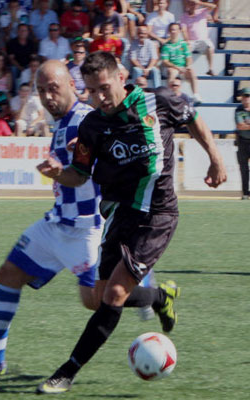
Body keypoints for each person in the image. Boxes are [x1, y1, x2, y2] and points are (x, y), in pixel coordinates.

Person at [35, 51, 226, 394]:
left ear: (121, 77)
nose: (99, 98)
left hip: (157, 215)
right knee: (98, 296)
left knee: (116, 293)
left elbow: (193, 117)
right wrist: (57, 174)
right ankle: (159, 296)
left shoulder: (160, 102)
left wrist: (214, 157)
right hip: (119, 214)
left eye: (104, 88)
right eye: (91, 91)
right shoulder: (92, 125)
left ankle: (67, 371)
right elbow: (78, 177)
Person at [0, 60, 102, 378]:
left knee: (94, 301)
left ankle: (149, 288)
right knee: (8, 273)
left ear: (72, 86)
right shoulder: (62, 123)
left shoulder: (87, 121)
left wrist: (62, 170)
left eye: (54, 88)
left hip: (86, 228)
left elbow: (90, 171)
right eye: (42, 90)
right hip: (56, 223)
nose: (48, 96)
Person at [161, 22, 201, 103]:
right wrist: (177, 67)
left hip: (183, 68)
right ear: (169, 31)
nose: (173, 32)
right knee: (172, 72)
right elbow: (165, 61)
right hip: (173, 67)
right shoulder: (166, 46)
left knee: (191, 71)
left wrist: (187, 66)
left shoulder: (183, 44)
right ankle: (170, 96)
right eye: (172, 30)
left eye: (175, 30)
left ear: (179, 31)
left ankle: (196, 94)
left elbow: (189, 58)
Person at [180, 0, 217, 76]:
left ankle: (210, 69)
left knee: (209, 46)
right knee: (185, 47)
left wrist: (200, 3)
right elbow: (184, 30)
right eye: (191, 4)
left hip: (203, 40)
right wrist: (186, 40)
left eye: (194, 4)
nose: (193, 6)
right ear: (187, 5)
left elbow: (214, 6)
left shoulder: (202, 12)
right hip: (191, 41)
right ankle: (187, 68)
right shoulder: (184, 16)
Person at [129, 24, 161, 88]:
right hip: (139, 67)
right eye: (140, 33)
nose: (142, 35)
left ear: (147, 34)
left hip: (149, 67)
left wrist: (148, 69)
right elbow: (133, 59)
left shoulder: (151, 43)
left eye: (144, 33)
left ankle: (158, 91)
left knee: (155, 71)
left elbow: (154, 58)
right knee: (136, 70)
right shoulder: (133, 44)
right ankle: (135, 92)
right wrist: (143, 69)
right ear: (137, 34)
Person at [235, 87, 250, 200]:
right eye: (245, 96)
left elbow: (243, 125)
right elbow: (240, 126)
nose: (246, 99)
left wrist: (246, 125)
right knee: (243, 169)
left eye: (248, 96)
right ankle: (245, 193)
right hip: (243, 142)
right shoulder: (238, 110)